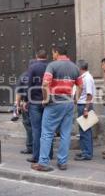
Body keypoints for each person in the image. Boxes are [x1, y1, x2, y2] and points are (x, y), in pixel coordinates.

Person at [31, 44, 82, 172]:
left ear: (56, 53)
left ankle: (43, 163)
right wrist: (75, 99)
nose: (52, 55)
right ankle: (62, 162)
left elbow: (45, 84)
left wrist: (46, 99)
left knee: (47, 133)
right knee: (65, 134)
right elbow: (80, 86)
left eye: (53, 53)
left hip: (55, 103)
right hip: (69, 103)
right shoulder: (75, 67)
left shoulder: (52, 65)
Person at [26, 49, 52, 163]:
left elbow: (29, 85)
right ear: (47, 56)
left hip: (35, 102)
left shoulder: (33, 67)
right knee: (48, 129)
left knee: (36, 130)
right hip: (48, 102)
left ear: (37, 56)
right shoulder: (51, 66)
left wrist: (26, 100)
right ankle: (49, 154)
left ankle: (36, 156)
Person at [74, 60, 96, 161]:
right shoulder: (84, 77)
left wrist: (86, 109)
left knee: (85, 130)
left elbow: (89, 94)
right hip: (82, 105)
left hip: (84, 106)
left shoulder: (87, 78)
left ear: (80, 68)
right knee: (83, 130)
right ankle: (85, 151)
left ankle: (87, 153)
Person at [15, 71, 33, 154]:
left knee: (28, 126)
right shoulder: (44, 72)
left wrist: (17, 106)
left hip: (26, 104)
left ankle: (30, 147)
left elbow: (19, 93)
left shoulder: (24, 75)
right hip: (41, 104)